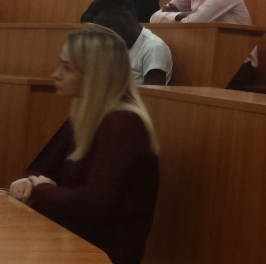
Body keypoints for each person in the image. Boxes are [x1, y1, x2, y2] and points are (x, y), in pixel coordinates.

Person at [10, 27, 159, 264]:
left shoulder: (122, 123)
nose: (55, 74)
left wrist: (41, 190)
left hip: (102, 255)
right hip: (71, 241)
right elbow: (40, 168)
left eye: (67, 68)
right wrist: (28, 182)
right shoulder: (85, 114)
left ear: (95, 76)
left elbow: (91, 205)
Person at [89, 0, 172, 86]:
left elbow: (153, 93)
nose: (105, 34)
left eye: (108, 27)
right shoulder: (112, 45)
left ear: (127, 18)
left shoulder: (153, 47)